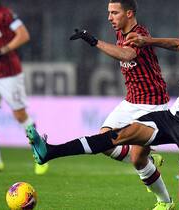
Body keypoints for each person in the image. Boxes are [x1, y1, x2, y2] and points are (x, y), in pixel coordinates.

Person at [26, 18, 179, 209]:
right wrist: (146, 41)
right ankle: (51, 152)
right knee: (116, 136)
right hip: (171, 118)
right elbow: (177, 44)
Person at [69, 0, 173, 209]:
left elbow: (128, 54)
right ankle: (150, 159)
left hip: (152, 103)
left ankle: (165, 202)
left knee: (137, 161)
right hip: (132, 100)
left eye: (114, 13)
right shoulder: (120, 32)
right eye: (109, 13)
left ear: (129, 13)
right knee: (103, 141)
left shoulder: (138, 33)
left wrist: (93, 41)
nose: (110, 18)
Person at [0, 0, 49, 175]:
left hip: (10, 73)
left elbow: (23, 35)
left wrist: (1, 51)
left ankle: (41, 156)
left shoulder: (6, 14)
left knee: (20, 115)